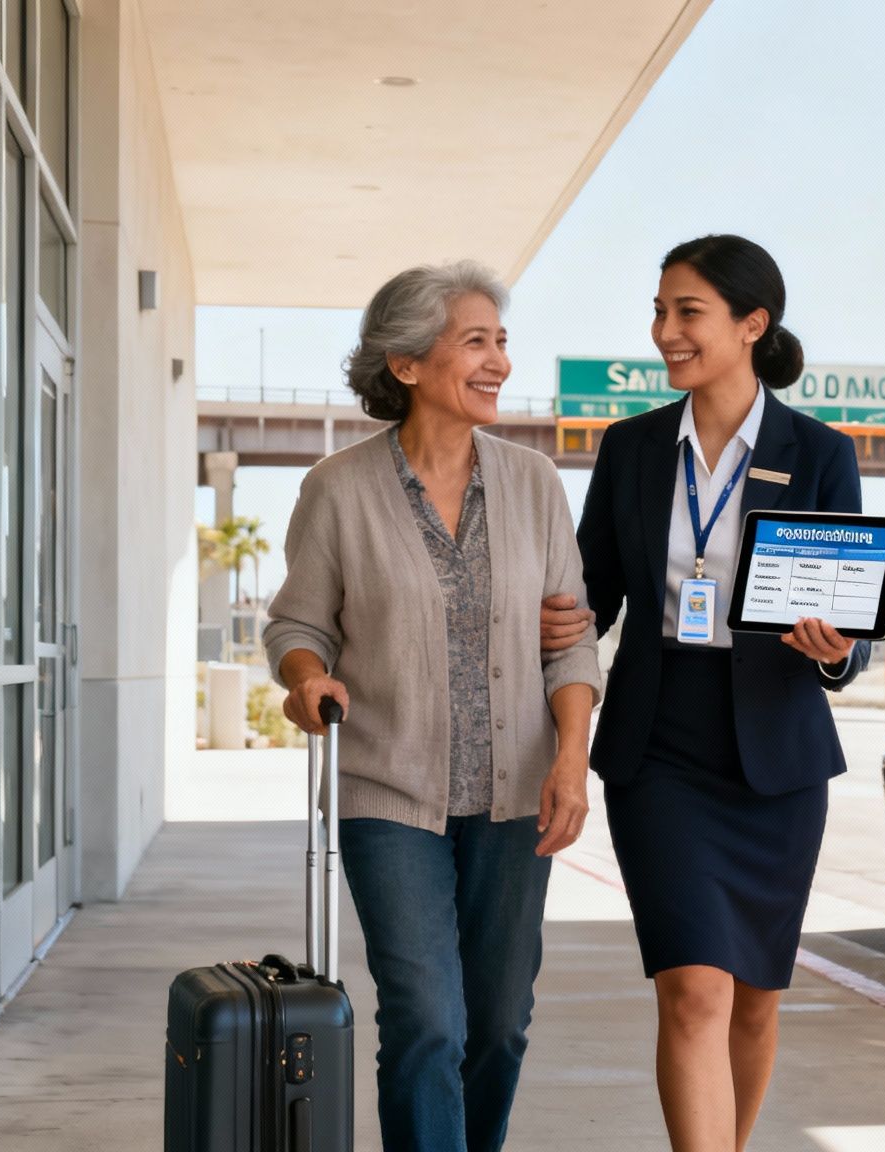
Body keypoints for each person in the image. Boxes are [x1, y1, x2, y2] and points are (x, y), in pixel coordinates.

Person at [265, 260, 601, 1152]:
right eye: (476, 341)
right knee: (427, 1023)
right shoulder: (337, 489)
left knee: (496, 1027)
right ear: (407, 364)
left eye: (502, 342)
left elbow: (570, 637)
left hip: (516, 797)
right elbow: (297, 623)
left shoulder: (535, 486)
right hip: (388, 793)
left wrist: (571, 758)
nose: (499, 362)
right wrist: (307, 678)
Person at [541, 234, 867, 1151]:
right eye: (659, 310)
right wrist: (553, 621)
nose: (664, 332)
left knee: (755, 1002)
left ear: (751, 325)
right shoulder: (634, 448)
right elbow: (592, 593)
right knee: (693, 989)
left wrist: (835, 652)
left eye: (687, 312)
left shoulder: (819, 453)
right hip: (660, 746)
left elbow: (849, 632)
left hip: (776, 749)